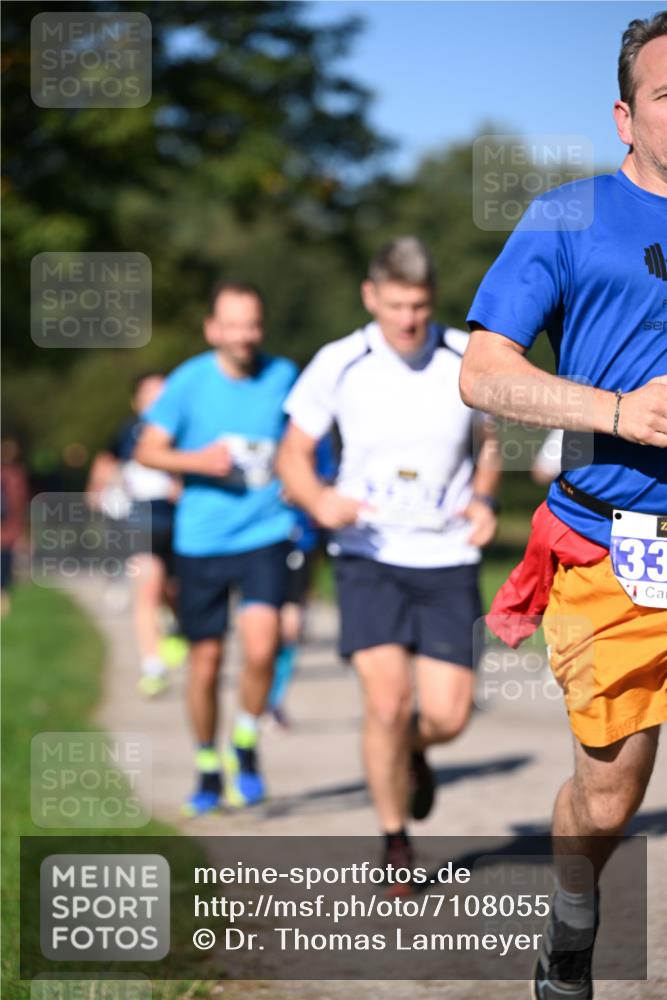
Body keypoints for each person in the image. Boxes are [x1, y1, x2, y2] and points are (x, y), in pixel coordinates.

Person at [461, 13, 667, 999]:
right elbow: (483, 372)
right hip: (614, 550)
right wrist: (617, 411)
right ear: (625, 117)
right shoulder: (567, 217)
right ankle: (571, 923)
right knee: (608, 793)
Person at [277, 236, 501, 882]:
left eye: (419, 306)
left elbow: (492, 438)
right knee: (386, 705)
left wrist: (485, 498)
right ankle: (394, 839)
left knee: (448, 715)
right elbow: (292, 453)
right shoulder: (338, 362)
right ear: (370, 297)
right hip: (367, 555)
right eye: (396, 305)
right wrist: (318, 499)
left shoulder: (463, 355)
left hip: (446, 556)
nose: (408, 319)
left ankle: (412, 753)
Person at [135, 281, 297, 815]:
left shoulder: (284, 376)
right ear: (212, 329)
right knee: (205, 662)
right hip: (202, 540)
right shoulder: (188, 381)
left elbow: (304, 441)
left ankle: (244, 743)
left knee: (262, 646)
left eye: (253, 324)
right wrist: (197, 462)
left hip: (265, 533)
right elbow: (147, 451)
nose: (244, 335)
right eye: (233, 325)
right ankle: (207, 763)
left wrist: (302, 480)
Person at [87, 372, 184, 697]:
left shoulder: (184, 429)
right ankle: (152, 666)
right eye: (149, 394)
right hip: (140, 520)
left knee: (173, 590)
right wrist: (96, 487)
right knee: (147, 587)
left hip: (180, 521)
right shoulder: (127, 431)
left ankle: (175, 626)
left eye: (163, 392)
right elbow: (107, 459)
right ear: (136, 401)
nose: (156, 399)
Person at [268, 433, 338, 728]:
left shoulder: (314, 431)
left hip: (300, 538)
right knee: (261, 625)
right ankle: (258, 698)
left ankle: (272, 700)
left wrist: (304, 489)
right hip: (255, 540)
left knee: (290, 624)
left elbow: (328, 478)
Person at [0, 436, 30, 616]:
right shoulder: (12, 475)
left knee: (6, 559)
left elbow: (21, 503)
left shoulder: (18, 474)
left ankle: (3, 593)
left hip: (11, 525)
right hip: (7, 524)